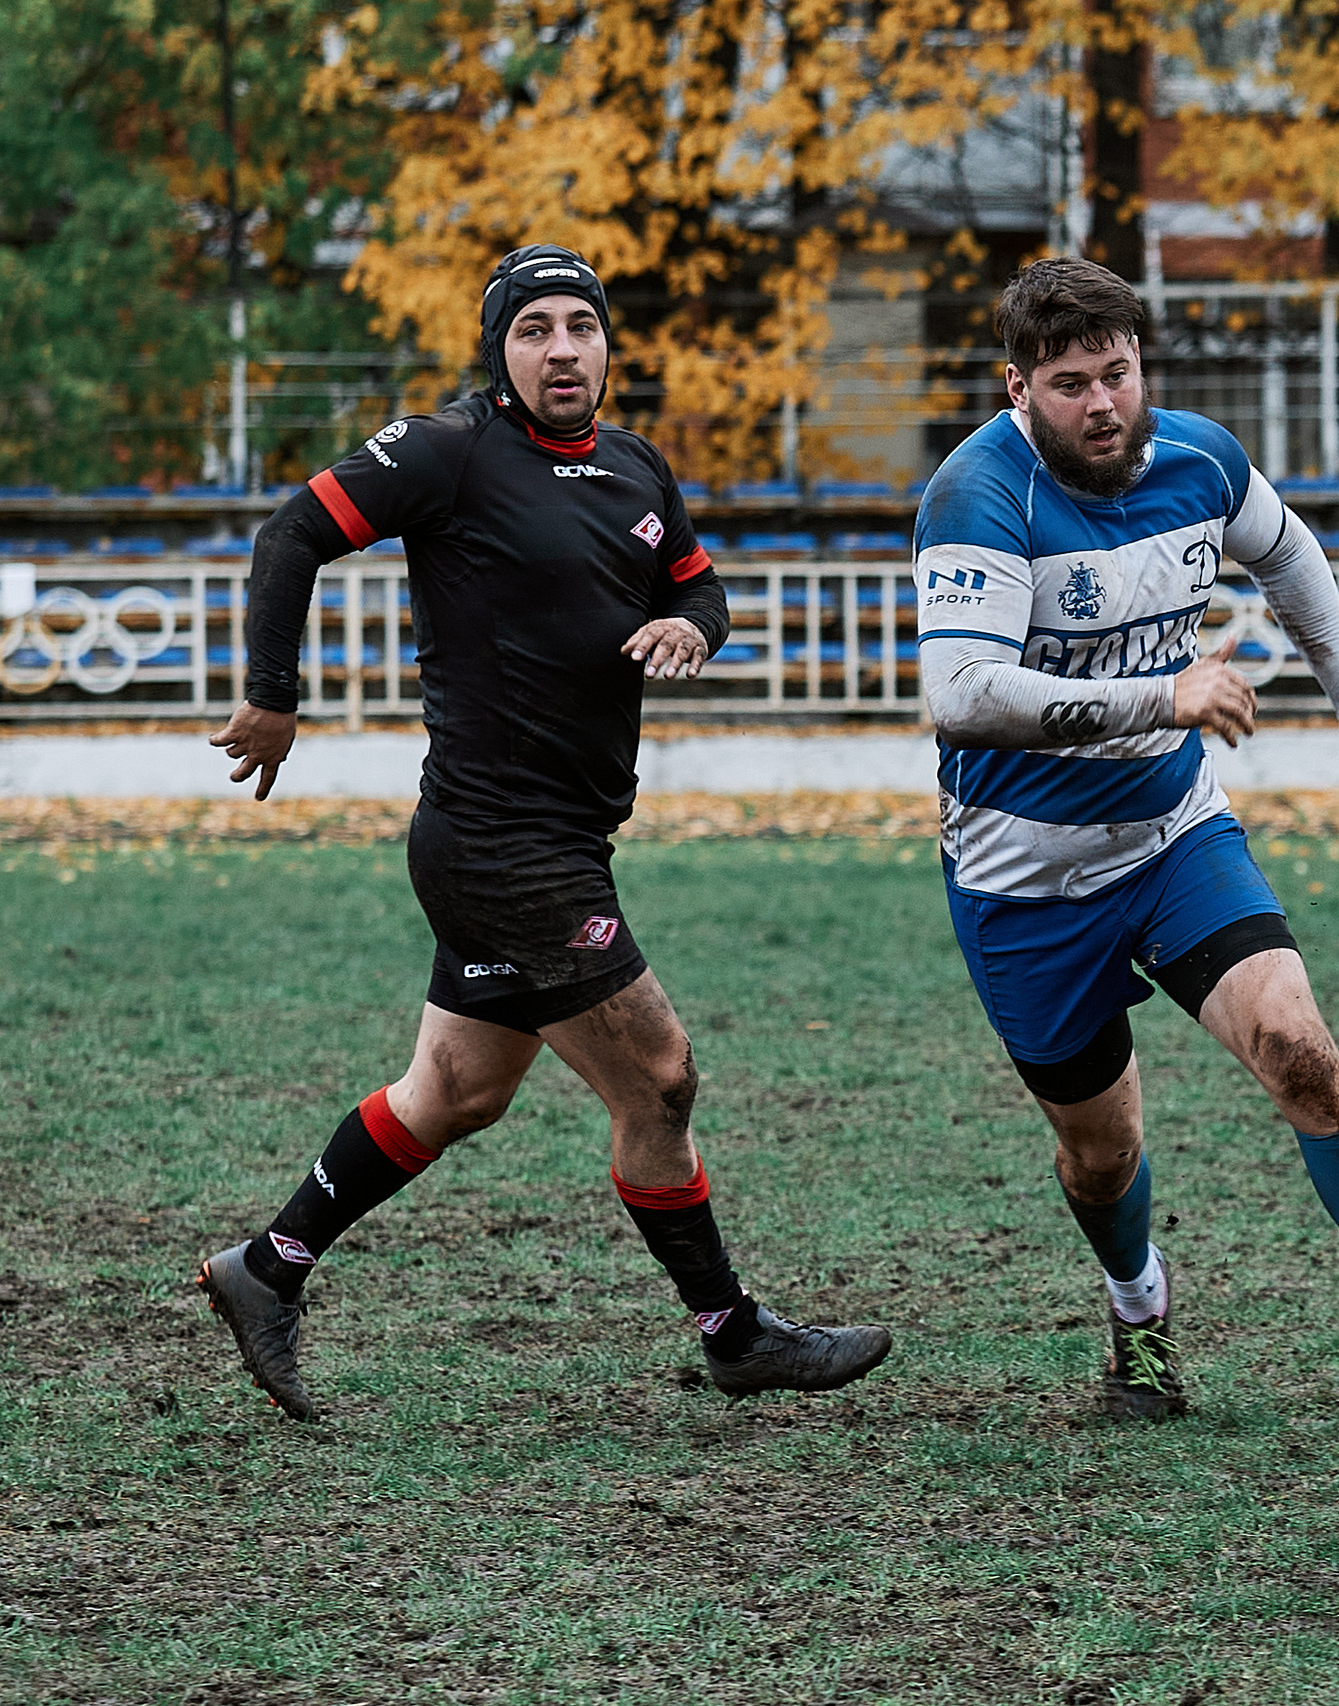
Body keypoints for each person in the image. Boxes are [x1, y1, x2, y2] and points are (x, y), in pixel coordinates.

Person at [197, 244, 890, 1420]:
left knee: (455, 1089)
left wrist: (692, 627)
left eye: (580, 325)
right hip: (502, 847)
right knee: (659, 1077)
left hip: (551, 841)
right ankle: (732, 1333)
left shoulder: (636, 466)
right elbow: (290, 533)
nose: (561, 348)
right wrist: (273, 693)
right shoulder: (450, 451)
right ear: (500, 352)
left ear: (607, 344)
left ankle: (265, 1266)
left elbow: (699, 586)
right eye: (534, 329)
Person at [912, 257, 1339, 1420]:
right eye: (1068, 384)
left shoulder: (1199, 457)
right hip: (1022, 878)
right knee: (1100, 1152)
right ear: (1016, 387)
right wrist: (1163, 695)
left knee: (1299, 1048)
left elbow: (1288, 555)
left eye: (1116, 371)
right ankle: (1138, 1310)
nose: (1102, 402)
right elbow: (962, 693)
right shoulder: (977, 495)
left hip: (1172, 835)